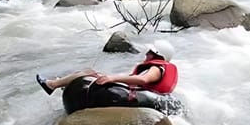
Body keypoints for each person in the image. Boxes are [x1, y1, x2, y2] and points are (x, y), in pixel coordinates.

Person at [36, 39, 178, 96]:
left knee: (88, 74)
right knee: (90, 72)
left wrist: (112, 78)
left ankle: (52, 84)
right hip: (135, 92)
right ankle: (61, 84)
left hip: (135, 94)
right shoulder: (157, 67)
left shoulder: (156, 69)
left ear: (158, 56)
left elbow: (144, 80)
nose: (147, 53)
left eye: (151, 52)